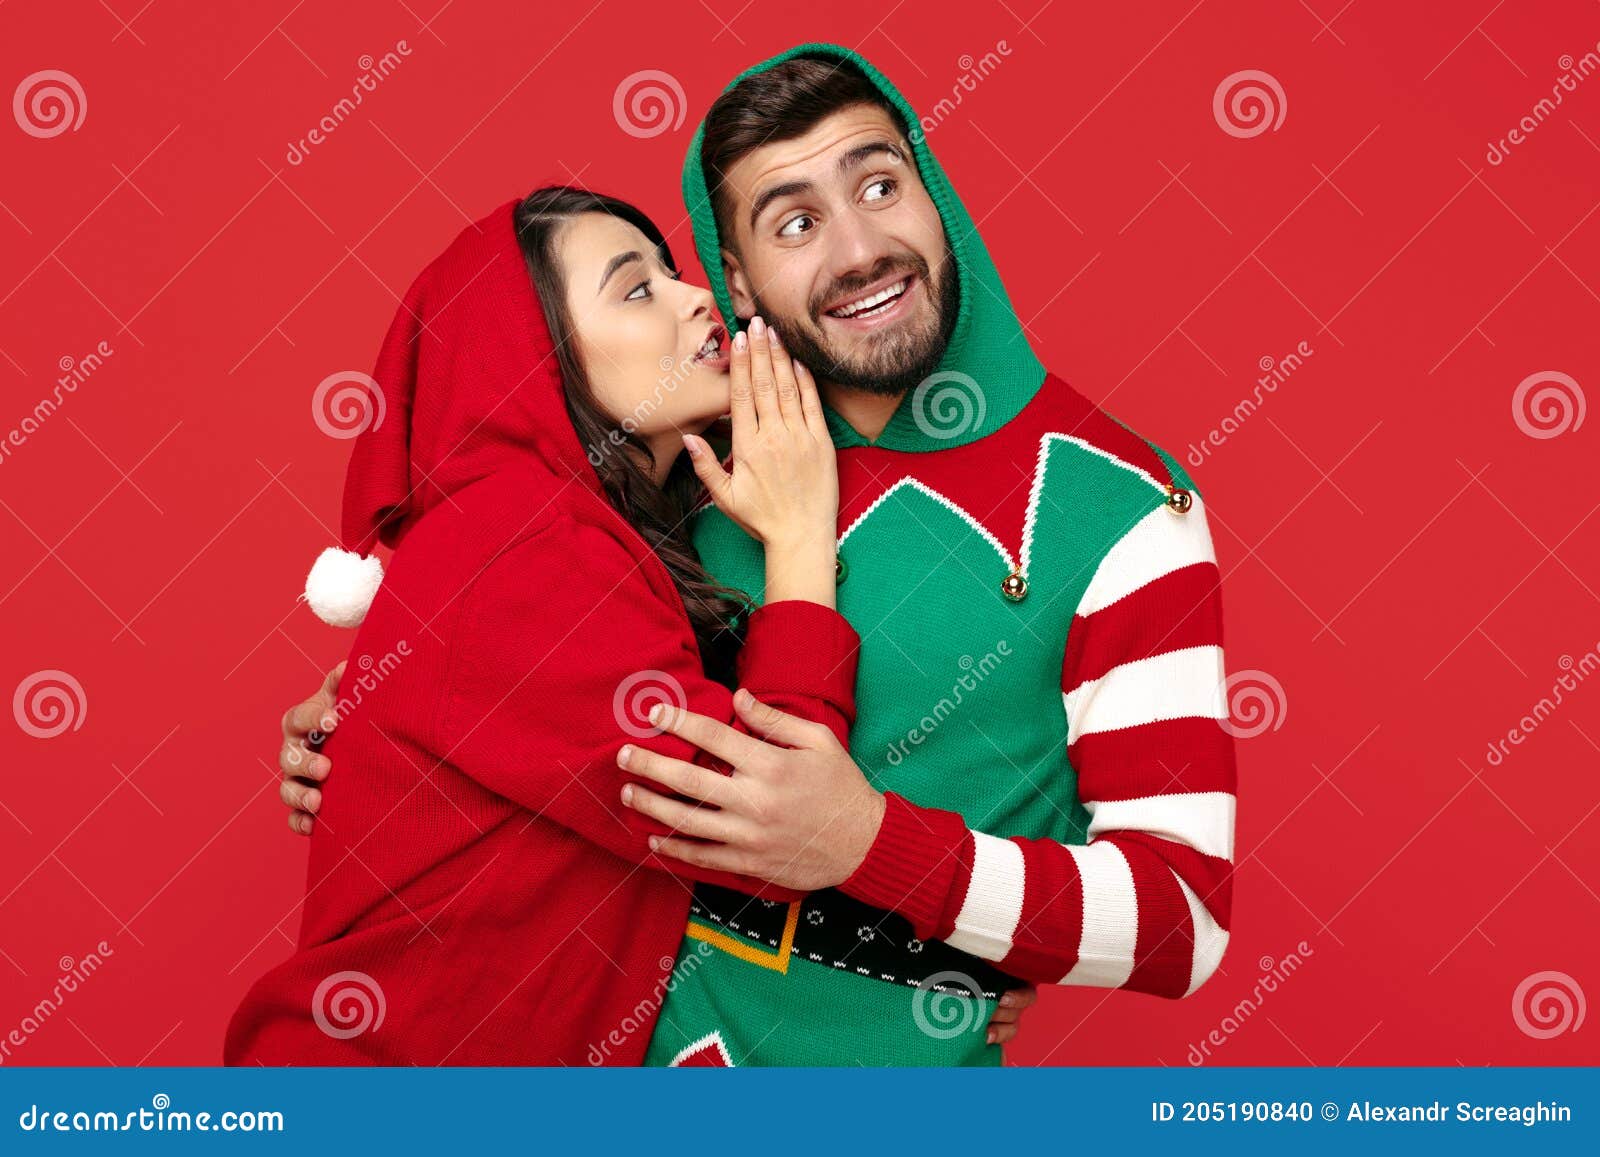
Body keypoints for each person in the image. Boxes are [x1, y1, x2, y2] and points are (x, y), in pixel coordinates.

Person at [279, 44, 1234, 1067]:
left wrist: (890, 862)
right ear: (736, 277)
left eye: (877, 184)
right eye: (795, 222)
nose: (859, 248)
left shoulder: (1120, 508)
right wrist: (379, 712)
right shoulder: (678, 465)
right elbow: (529, 676)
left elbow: (1180, 918)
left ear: (934, 194)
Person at [229, 184, 965, 1065]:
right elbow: (771, 822)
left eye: (671, 271)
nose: (693, 296)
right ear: (534, 363)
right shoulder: (520, 543)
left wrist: (957, 965)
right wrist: (801, 534)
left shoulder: (576, 544)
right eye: (635, 288)